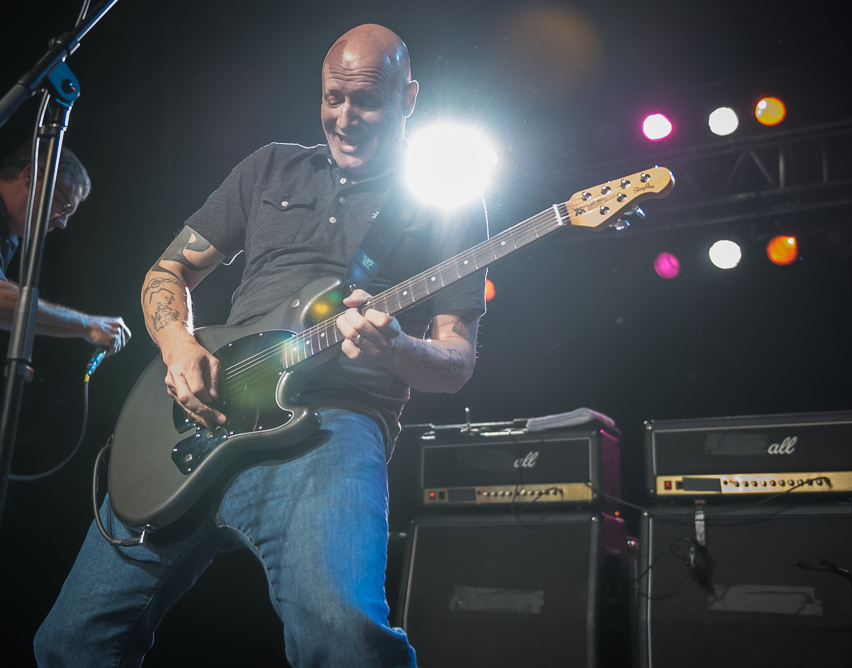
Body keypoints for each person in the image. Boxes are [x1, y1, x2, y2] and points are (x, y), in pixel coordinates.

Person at [34, 24, 487, 668]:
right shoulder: (273, 165)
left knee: (343, 633)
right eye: (333, 98)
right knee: (69, 643)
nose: (346, 117)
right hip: (207, 413)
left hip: (333, 426)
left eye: (368, 102)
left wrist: (395, 350)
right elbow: (166, 273)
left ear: (408, 98)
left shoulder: (448, 205)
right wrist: (177, 346)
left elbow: (456, 363)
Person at [0, 142, 130, 353]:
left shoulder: (9, 236)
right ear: (31, 175)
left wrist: (85, 327)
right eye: (65, 207)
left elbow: (9, 314)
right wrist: (86, 325)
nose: (62, 223)